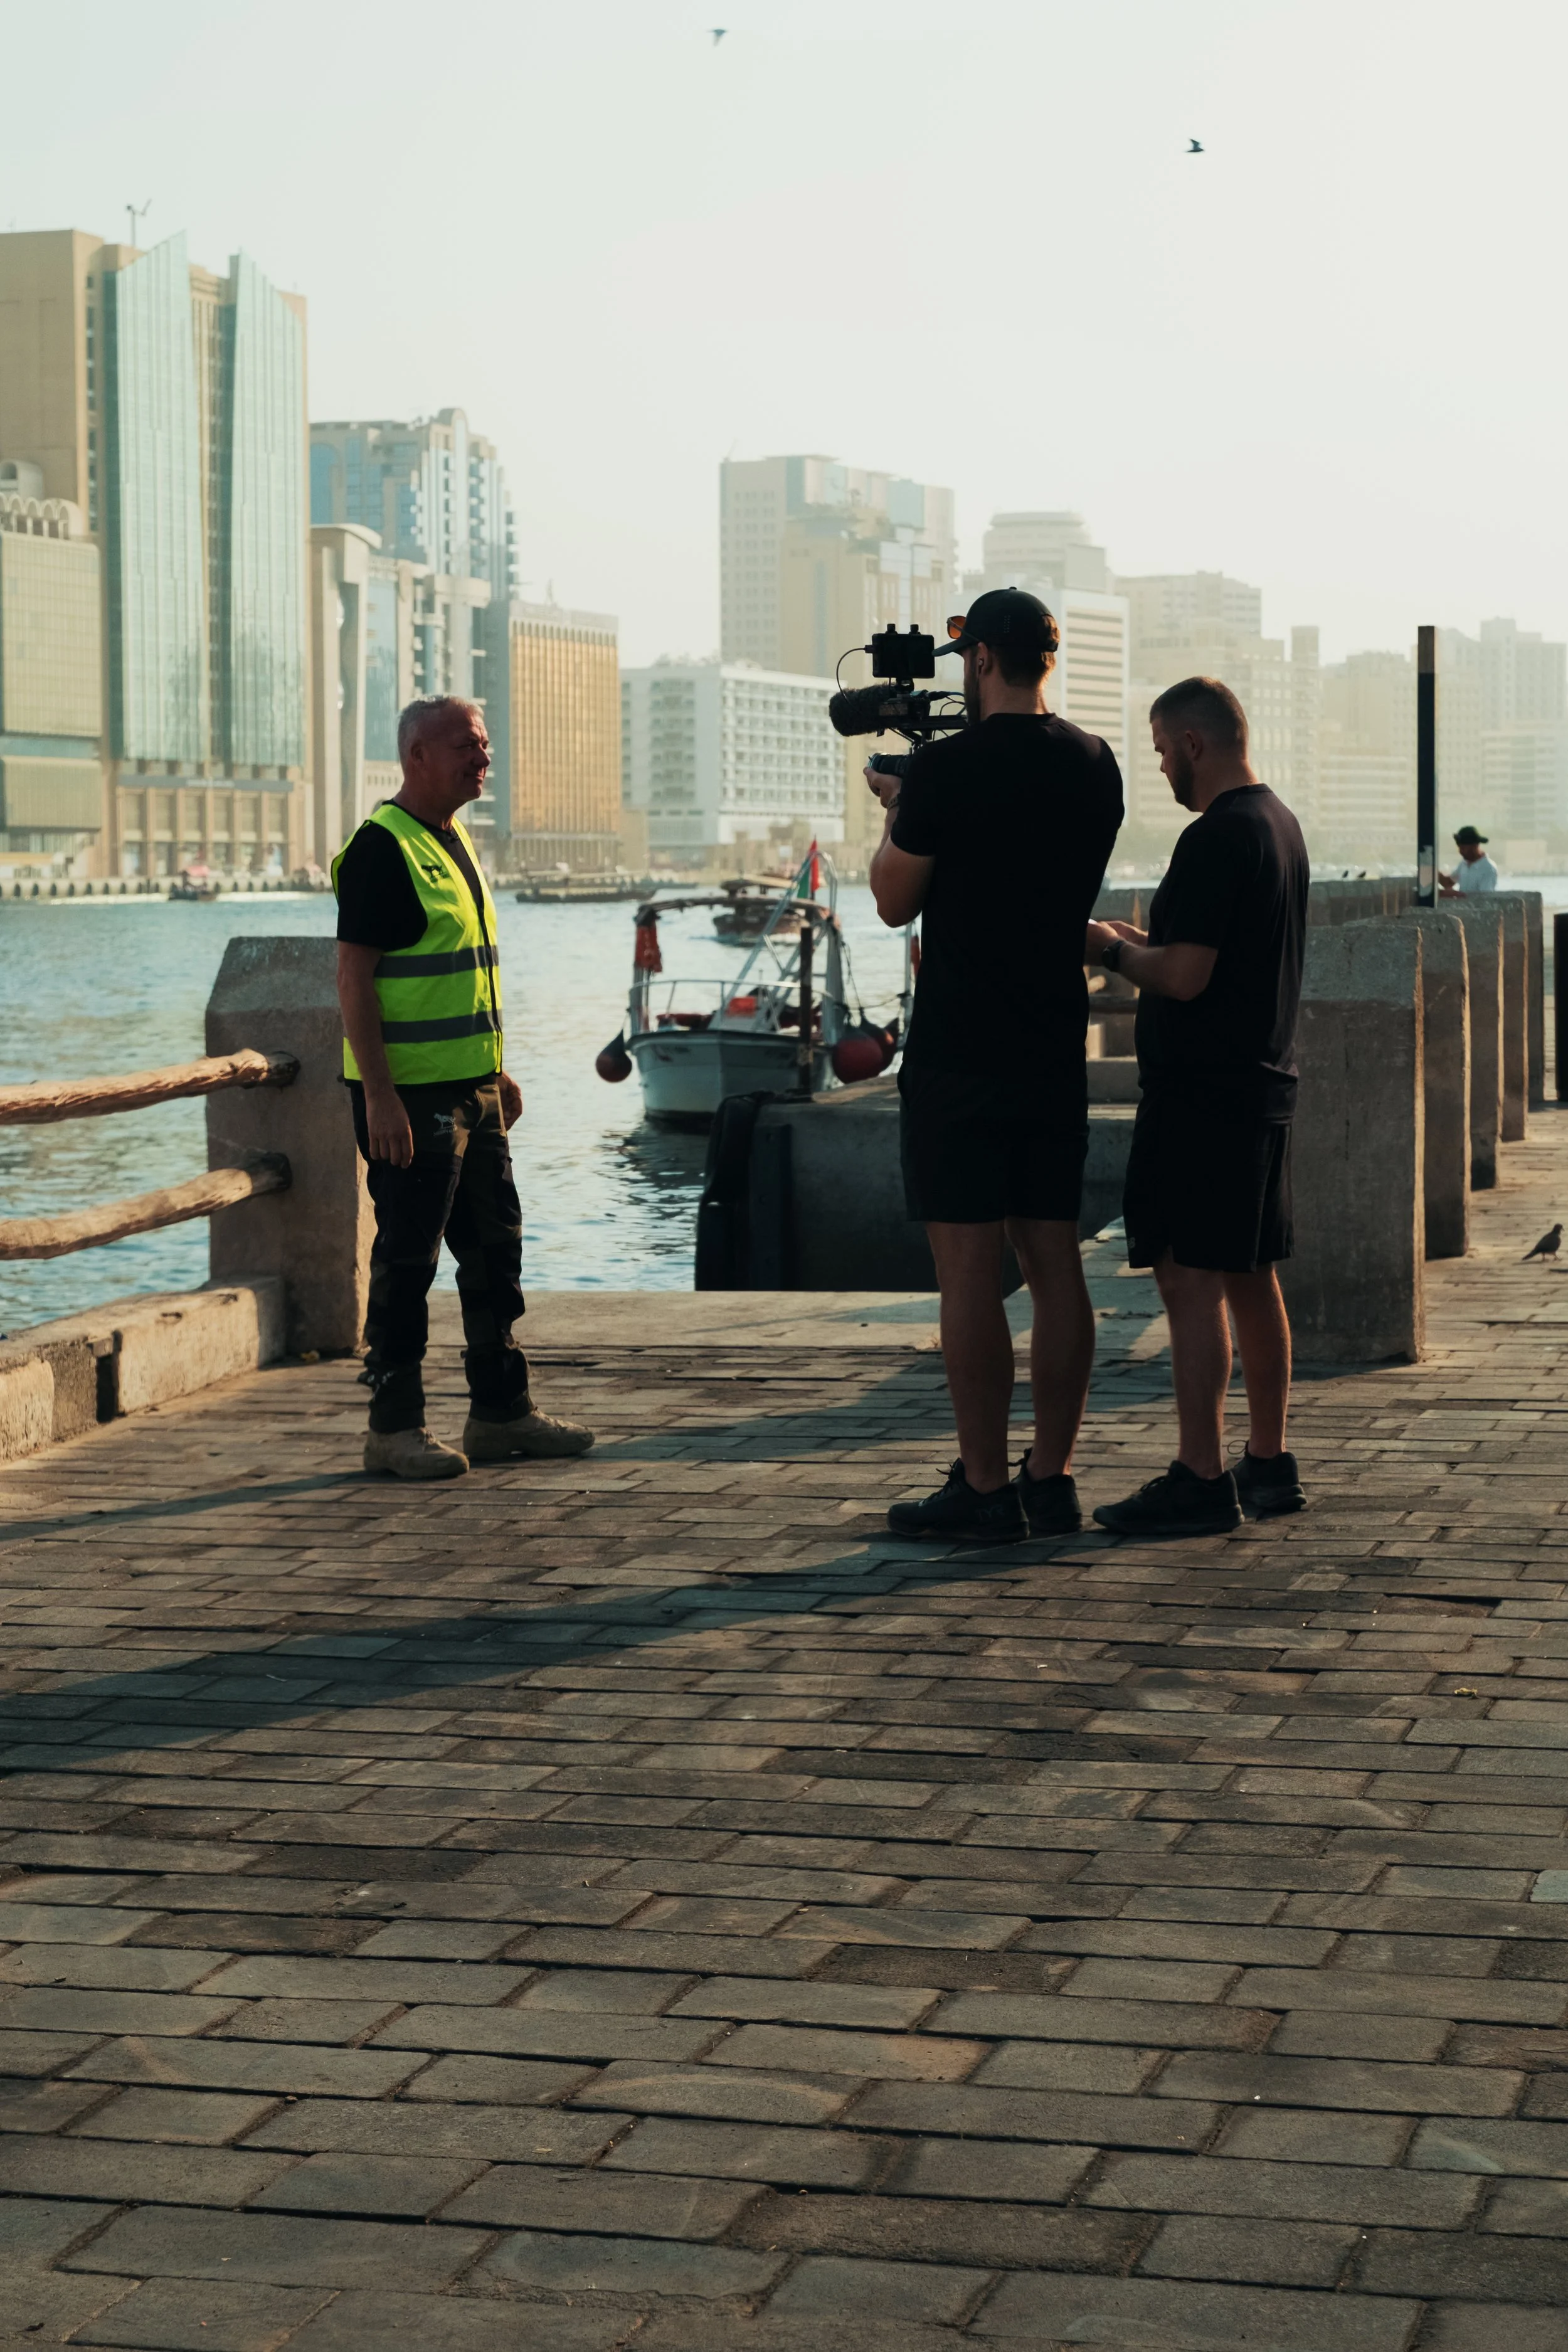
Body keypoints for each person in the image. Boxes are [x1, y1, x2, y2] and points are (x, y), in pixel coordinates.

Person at [867, 587, 1124, 1545]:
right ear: (1046, 658)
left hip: (963, 1048)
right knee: (1054, 1260)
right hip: (1052, 1038)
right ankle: (1050, 1478)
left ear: (977, 660)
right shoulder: (1098, 765)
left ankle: (982, 1486)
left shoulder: (947, 770)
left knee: (968, 1267)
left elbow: (896, 901)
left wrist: (900, 809)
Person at [333, 695, 593, 1480]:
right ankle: (393, 1427)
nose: (483, 761)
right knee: (408, 1262)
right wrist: (378, 1095)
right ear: (416, 754)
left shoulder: (453, 842)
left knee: (493, 1254)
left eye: (483, 747)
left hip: (473, 1090)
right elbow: (354, 979)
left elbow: (458, 972)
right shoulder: (385, 847)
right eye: (465, 748)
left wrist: (494, 1069)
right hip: (409, 1101)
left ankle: (500, 1412)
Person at [1086, 676, 1308, 1538]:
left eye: (1159, 749)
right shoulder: (1278, 826)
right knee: (1252, 1274)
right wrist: (1133, 941)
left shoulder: (1215, 838)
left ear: (1190, 743)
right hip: (1261, 1083)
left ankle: (1198, 1475)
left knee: (1187, 1279)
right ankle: (1269, 1461)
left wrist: (1107, 948)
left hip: (1203, 1096)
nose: (1159, 767)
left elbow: (1184, 977)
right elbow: (1204, 954)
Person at [1439, 825, 1498, 897]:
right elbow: (1449, 883)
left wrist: (1456, 895)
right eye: (1459, 848)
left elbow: (1485, 898)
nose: (1460, 851)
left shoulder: (1488, 869)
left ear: (1475, 846)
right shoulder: (1464, 864)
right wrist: (1432, 871)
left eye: (1463, 848)